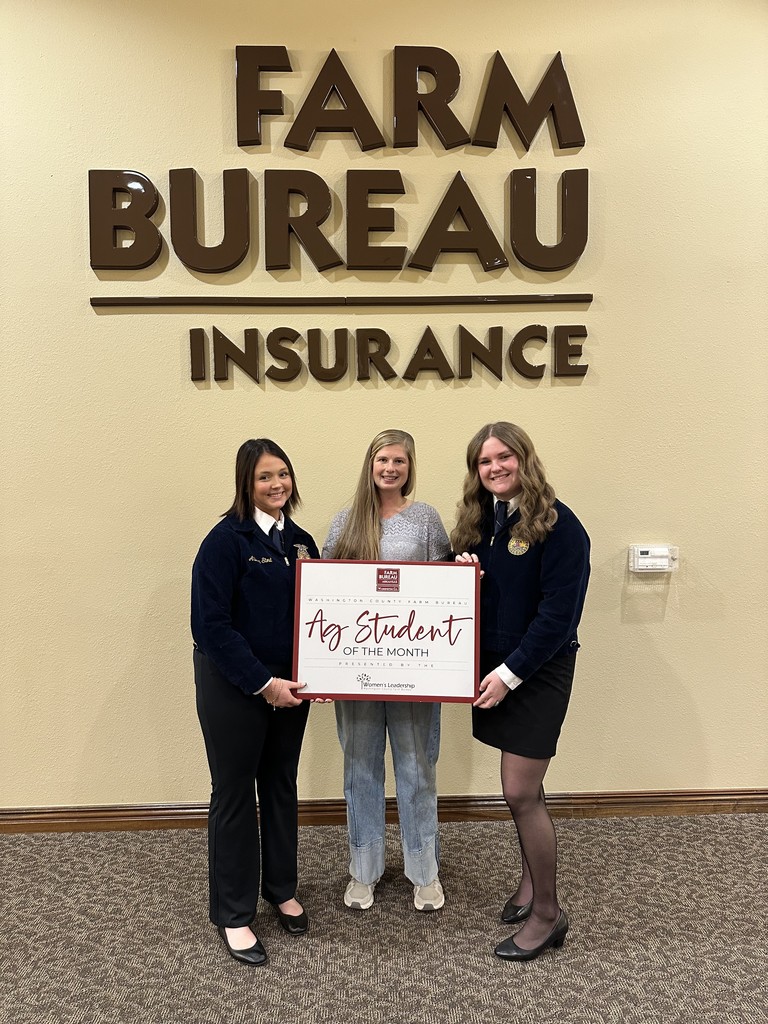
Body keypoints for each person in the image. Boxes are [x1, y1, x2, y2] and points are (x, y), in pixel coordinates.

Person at [452, 422, 590, 962]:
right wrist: (462, 573)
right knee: (522, 791)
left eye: (504, 457)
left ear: (524, 458)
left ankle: (548, 915)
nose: (495, 468)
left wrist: (509, 675)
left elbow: (558, 617)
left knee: (520, 792)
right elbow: (477, 592)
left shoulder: (560, 525)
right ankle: (532, 885)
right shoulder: (481, 521)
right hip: (500, 669)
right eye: (484, 462)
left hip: (537, 670)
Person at [191, 438, 319, 966]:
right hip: (236, 687)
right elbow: (211, 627)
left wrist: (325, 673)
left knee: (281, 785)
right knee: (236, 792)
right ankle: (235, 912)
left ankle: (281, 888)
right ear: (246, 482)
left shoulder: (303, 542)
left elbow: (324, 615)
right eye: (266, 477)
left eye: (284, 474)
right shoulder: (224, 542)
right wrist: (262, 682)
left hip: (291, 690)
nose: (277, 485)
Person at [322, 429, 451, 912]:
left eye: (399, 460)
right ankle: (364, 870)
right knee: (360, 768)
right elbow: (326, 587)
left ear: (409, 466)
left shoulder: (425, 521)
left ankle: (424, 870)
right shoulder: (346, 521)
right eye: (382, 459)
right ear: (370, 465)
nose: (390, 468)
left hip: (414, 670)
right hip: (357, 671)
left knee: (417, 768)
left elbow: (446, 589)